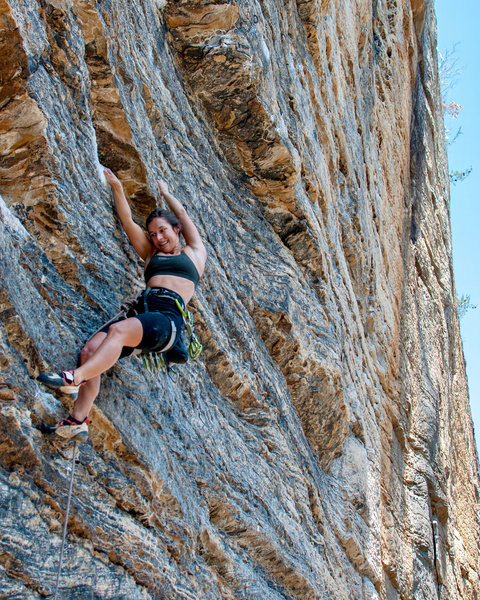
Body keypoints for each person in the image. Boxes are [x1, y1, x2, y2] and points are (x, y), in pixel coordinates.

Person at [37, 168, 207, 442]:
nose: (158, 238)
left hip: (167, 322)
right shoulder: (151, 255)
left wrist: (166, 194)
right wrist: (116, 185)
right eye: (153, 234)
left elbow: (184, 215)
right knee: (91, 350)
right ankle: (77, 421)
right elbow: (127, 221)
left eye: (163, 231)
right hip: (145, 316)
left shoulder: (194, 254)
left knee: (116, 333)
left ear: (176, 229)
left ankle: (74, 378)